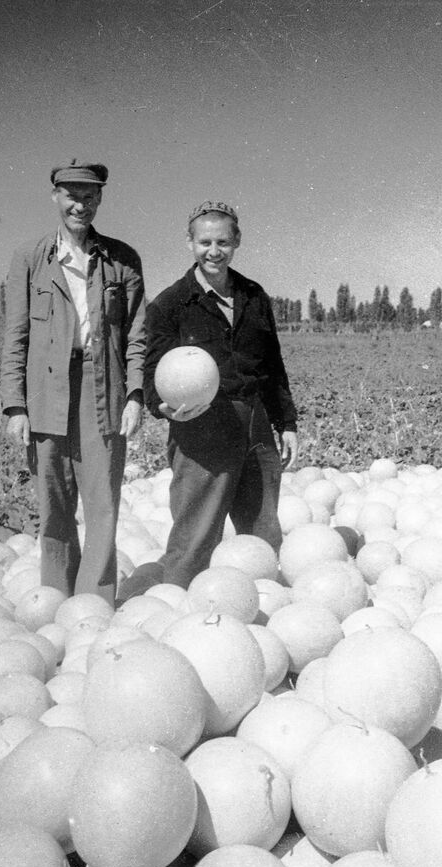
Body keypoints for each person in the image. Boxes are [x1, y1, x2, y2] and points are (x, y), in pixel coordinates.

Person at [119, 199, 298, 598]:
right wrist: (159, 405)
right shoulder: (170, 304)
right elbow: (152, 369)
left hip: (254, 424)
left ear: (236, 243)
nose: (213, 251)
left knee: (262, 532)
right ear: (190, 243)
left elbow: (272, 365)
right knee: (195, 536)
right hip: (202, 426)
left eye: (222, 242)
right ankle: (179, 612)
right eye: (204, 242)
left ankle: (261, 611)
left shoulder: (254, 296)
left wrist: (286, 423)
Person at [1, 160, 146, 605]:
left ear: (99, 199)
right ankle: (56, 600)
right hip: (47, 390)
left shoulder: (122, 259)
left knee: (102, 501)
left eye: (89, 196)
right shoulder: (30, 258)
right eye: (71, 195)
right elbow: (16, 334)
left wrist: (136, 393)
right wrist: (15, 405)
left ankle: (93, 607)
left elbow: (137, 335)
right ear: (55, 198)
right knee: (54, 500)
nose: (79, 205)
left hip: (104, 387)